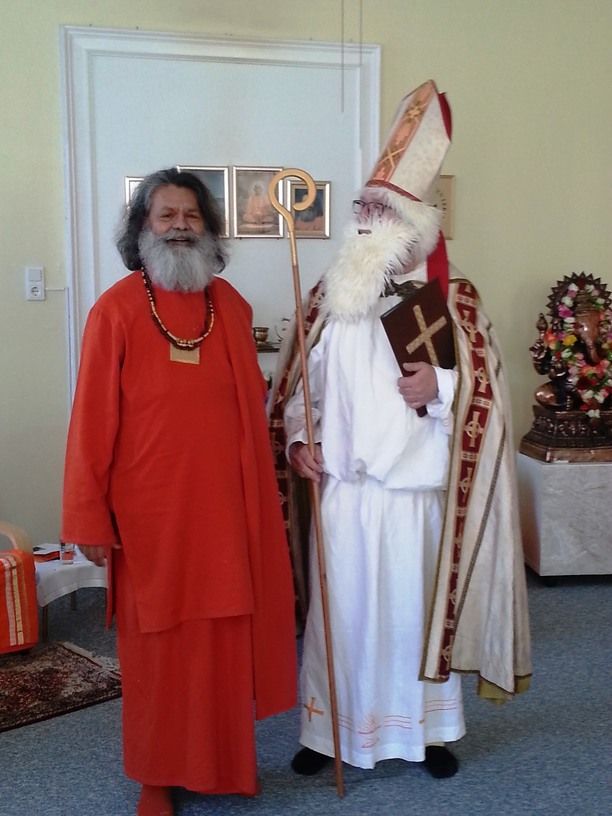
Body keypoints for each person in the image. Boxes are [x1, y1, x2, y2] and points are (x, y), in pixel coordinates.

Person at [270, 80, 531, 780]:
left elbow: (491, 396)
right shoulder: (329, 296)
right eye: (362, 208)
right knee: (342, 625)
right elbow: (301, 390)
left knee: (412, 619)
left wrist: (439, 388)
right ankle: (327, 735)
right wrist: (299, 440)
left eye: (379, 212)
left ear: (413, 224)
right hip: (344, 494)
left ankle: (428, 735)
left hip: (416, 497)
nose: (363, 220)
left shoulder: (456, 297)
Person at [61, 168, 297, 816]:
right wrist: (89, 516)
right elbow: (90, 424)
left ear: (209, 228)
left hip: (225, 511)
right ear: (143, 228)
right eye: (165, 215)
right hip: (151, 518)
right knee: (158, 653)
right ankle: (157, 776)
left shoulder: (232, 306)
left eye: (191, 215)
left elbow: (250, 413)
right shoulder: (114, 310)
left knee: (223, 643)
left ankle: (224, 766)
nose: (180, 226)